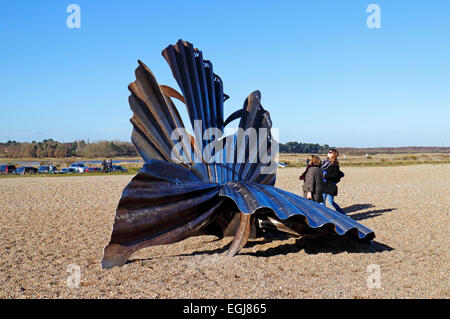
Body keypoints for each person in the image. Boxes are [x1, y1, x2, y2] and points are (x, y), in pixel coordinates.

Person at [321, 149, 346, 214]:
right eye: (328, 152)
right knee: (322, 201)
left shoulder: (335, 164)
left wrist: (325, 175)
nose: (328, 153)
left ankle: (342, 214)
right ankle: (323, 215)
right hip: (323, 185)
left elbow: (335, 175)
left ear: (334, 155)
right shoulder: (324, 162)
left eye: (330, 152)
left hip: (330, 185)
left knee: (331, 202)